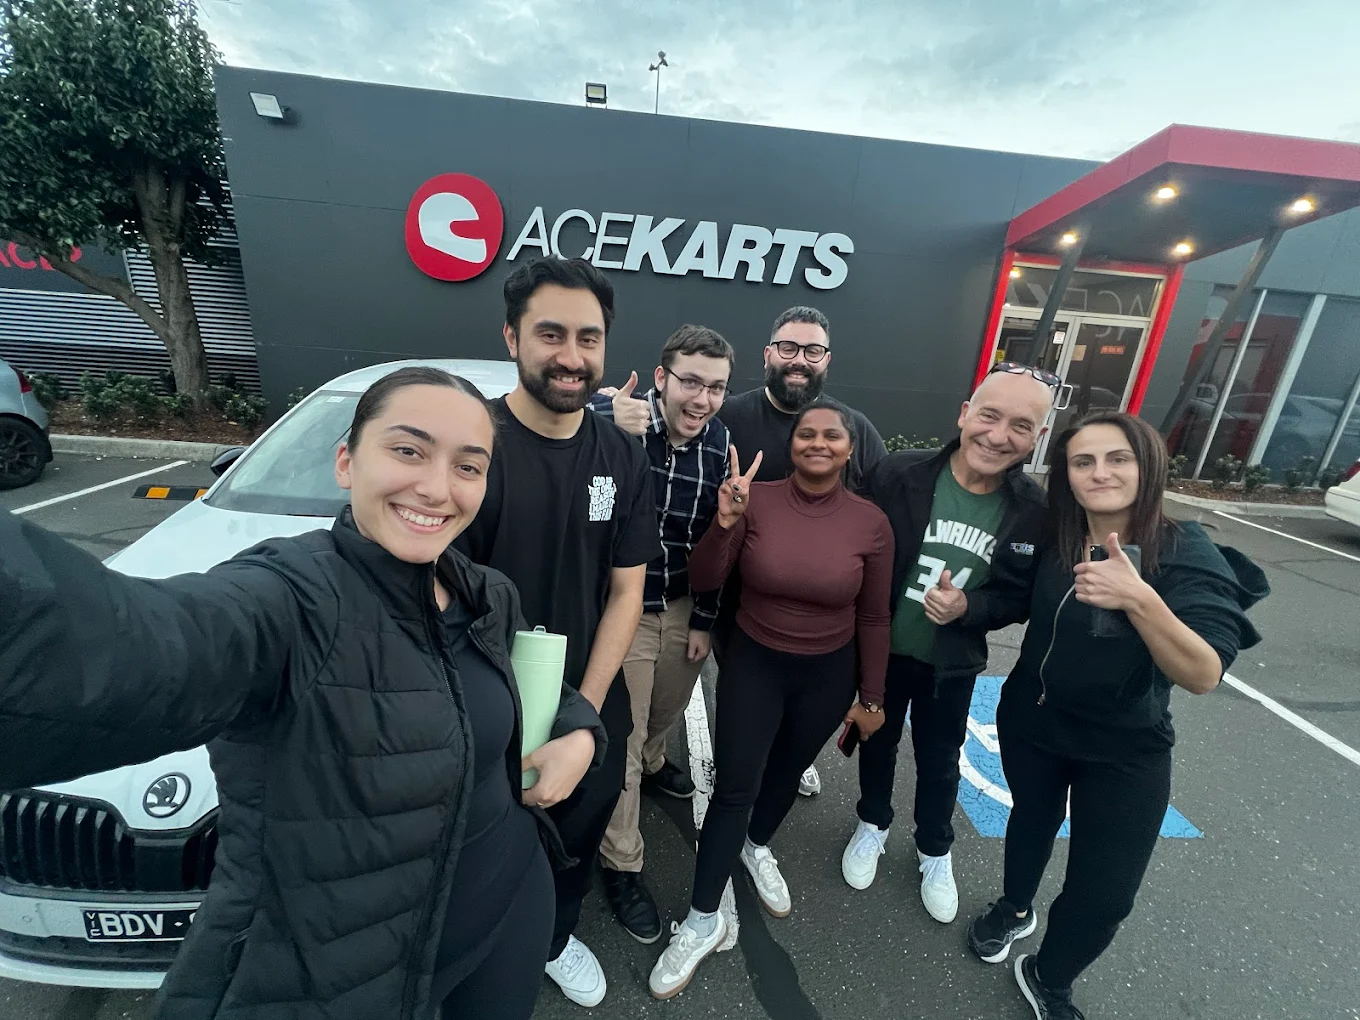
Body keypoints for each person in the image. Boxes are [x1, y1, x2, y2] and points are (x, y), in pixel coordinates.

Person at [0, 366, 606, 1020]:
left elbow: (529, 684)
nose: (436, 488)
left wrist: (579, 731)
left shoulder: (484, 591)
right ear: (346, 462)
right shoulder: (289, 599)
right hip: (355, 981)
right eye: (408, 451)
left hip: (510, 914)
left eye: (468, 466)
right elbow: (131, 646)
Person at [965, 411, 1268, 1020]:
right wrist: (962, 606)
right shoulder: (1057, 537)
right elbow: (1013, 598)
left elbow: (1205, 672)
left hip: (1127, 746)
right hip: (1034, 721)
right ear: (1068, 476)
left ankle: (1049, 976)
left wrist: (1141, 599)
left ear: (1147, 466)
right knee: (1031, 821)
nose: (1100, 472)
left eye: (1117, 458)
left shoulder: (1184, 550)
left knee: (1106, 895)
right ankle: (1014, 907)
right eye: (1083, 461)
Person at [453, 257, 661, 1009]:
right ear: (511, 335)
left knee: (573, 839)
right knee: (473, 849)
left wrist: (587, 711)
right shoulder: (471, 445)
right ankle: (477, 946)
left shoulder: (622, 455)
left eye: (588, 336)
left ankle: (553, 937)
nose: (571, 355)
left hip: (588, 698)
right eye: (550, 333)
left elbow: (628, 589)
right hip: (474, 702)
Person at [647, 399, 894, 1000]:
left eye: (830, 435)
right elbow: (705, 579)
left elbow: (875, 616)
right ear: (792, 444)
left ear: (849, 447)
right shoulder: (754, 500)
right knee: (735, 786)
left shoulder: (871, 523)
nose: (817, 442)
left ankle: (757, 847)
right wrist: (726, 521)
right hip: (754, 663)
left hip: (828, 674)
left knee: (785, 774)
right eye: (806, 433)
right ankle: (703, 920)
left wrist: (873, 698)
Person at [840, 363, 1053, 925]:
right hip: (883, 653)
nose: (999, 435)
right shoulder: (899, 474)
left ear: (1037, 438)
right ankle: (872, 822)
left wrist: (970, 608)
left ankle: (935, 848)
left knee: (941, 761)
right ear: (964, 414)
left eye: (1021, 426)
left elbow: (1021, 596)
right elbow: (851, 543)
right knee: (876, 741)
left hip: (951, 665)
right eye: (989, 415)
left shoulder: (1035, 511)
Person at [587, 324, 735, 945]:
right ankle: (622, 863)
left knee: (664, 716)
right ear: (661, 379)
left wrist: (704, 618)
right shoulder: (614, 426)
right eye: (690, 382)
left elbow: (716, 540)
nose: (701, 399)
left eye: (716, 387)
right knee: (620, 736)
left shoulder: (720, 442)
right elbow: (582, 496)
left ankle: (652, 764)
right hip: (624, 609)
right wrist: (599, 417)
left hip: (682, 605)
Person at [711, 305, 889, 797]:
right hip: (735, 606)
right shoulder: (728, 418)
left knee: (795, 714)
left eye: (813, 351)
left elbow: (877, 516)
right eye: (788, 348)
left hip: (817, 613)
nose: (799, 360)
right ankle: (750, 761)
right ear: (768, 353)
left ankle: (787, 757)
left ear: (826, 360)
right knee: (749, 711)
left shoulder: (852, 430)